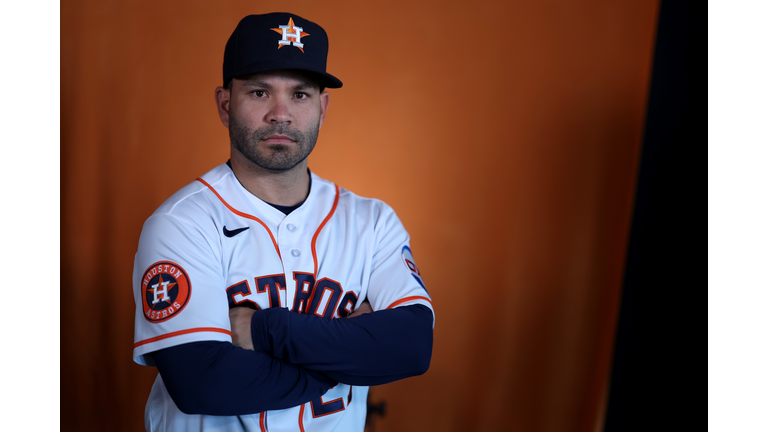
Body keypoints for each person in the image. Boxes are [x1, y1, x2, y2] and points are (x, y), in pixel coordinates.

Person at [131, 12, 435, 432]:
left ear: (322, 108)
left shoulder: (373, 222)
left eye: (300, 95)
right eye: (259, 92)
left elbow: (411, 348)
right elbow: (204, 383)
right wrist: (351, 356)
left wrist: (264, 329)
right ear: (225, 104)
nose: (280, 113)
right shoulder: (181, 224)